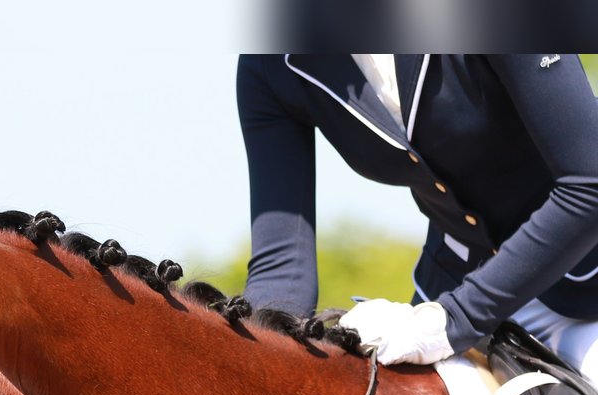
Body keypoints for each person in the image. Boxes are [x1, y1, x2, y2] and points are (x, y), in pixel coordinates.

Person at [236, 54, 598, 377]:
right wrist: (233, 365)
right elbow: (282, 277)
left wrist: (454, 320)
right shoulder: (269, 65)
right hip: (454, 284)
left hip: (583, 277)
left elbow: (589, 183)